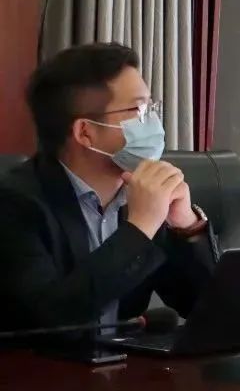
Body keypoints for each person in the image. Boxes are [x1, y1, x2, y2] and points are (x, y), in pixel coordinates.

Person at [0, 43, 216, 333]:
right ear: (85, 132)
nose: (152, 121)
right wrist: (139, 228)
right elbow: (50, 320)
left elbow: (210, 308)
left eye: (151, 107)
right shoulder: (14, 203)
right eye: (139, 110)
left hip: (127, 361)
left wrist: (187, 228)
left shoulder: (140, 195)